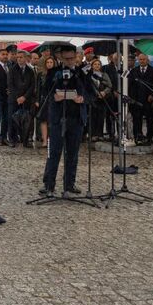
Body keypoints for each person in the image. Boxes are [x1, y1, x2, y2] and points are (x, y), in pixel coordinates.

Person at [40, 46, 94, 196]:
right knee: (54, 152)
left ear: (77, 56)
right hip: (58, 118)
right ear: (61, 57)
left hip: (76, 118)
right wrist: (54, 97)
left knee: (72, 153)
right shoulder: (53, 73)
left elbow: (91, 93)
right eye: (67, 58)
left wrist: (83, 99)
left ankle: (69, 184)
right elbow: (45, 92)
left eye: (72, 58)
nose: (70, 61)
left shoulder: (82, 73)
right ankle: (49, 184)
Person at [127, 53, 153, 146]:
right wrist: (132, 98)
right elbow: (130, 86)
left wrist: (152, 95)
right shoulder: (133, 71)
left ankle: (149, 137)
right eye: (140, 59)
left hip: (148, 100)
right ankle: (138, 136)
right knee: (137, 119)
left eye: (143, 59)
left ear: (147, 60)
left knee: (150, 119)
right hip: (136, 100)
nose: (142, 61)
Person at [7, 49, 36, 148]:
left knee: (26, 120)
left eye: (21, 57)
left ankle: (25, 140)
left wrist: (24, 97)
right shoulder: (12, 69)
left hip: (26, 99)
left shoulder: (30, 70)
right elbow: (10, 85)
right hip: (14, 99)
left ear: (25, 58)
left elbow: (32, 86)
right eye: (18, 57)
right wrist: (17, 97)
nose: (19, 59)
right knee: (12, 119)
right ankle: (12, 138)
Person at [87, 58, 113, 140]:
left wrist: (104, 92)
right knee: (93, 117)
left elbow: (110, 85)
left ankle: (100, 134)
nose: (97, 66)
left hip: (102, 99)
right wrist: (96, 93)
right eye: (95, 64)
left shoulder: (104, 75)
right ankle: (93, 135)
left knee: (101, 117)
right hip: (93, 98)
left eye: (98, 64)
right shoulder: (89, 75)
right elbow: (89, 86)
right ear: (92, 66)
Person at [35, 54, 57, 146]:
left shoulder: (57, 74)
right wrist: (37, 100)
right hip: (44, 99)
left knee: (52, 121)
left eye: (51, 62)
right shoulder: (41, 74)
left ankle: (51, 140)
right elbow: (38, 88)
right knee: (43, 120)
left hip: (54, 99)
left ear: (54, 63)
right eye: (47, 62)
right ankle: (44, 141)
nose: (49, 64)